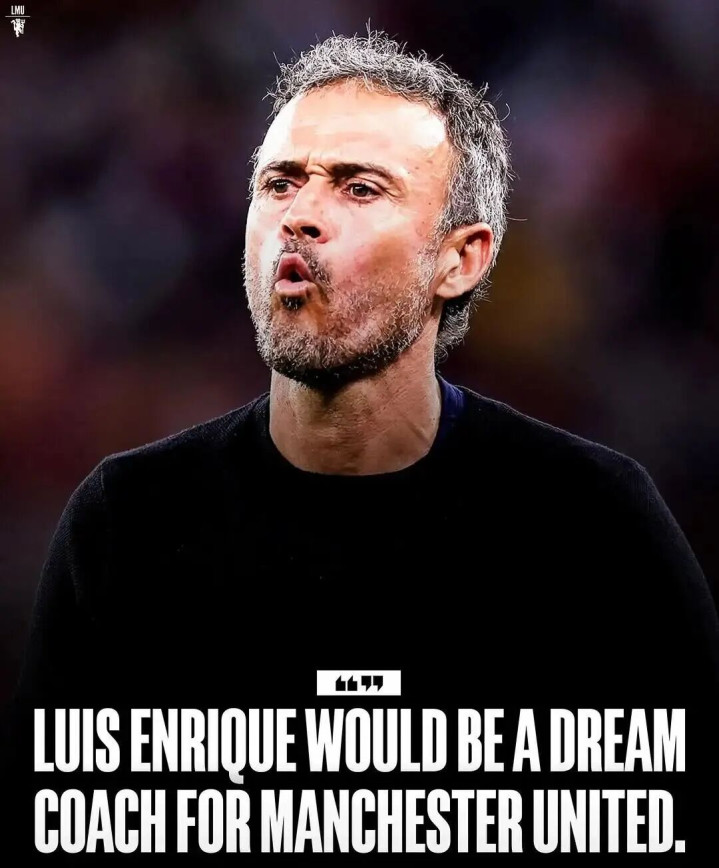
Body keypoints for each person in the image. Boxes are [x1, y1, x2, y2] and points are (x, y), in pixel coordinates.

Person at [5, 32, 719, 862]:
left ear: (460, 259)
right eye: (280, 183)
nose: (300, 215)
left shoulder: (592, 524)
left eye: (359, 187)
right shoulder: (129, 522)